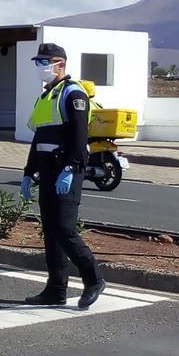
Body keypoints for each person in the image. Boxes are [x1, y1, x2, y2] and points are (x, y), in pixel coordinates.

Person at [19, 42, 105, 308]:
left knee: (64, 229)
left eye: (44, 63)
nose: (40, 67)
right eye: (38, 63)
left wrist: (69, 168)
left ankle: (94, 280)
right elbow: (39, 138)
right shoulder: (46, 96)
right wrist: (28, 172)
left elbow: (79, 136)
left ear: (60, 64)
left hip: (66, 170)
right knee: (51, 231)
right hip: (47, 171)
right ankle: (56, 289)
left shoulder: (73, 93)